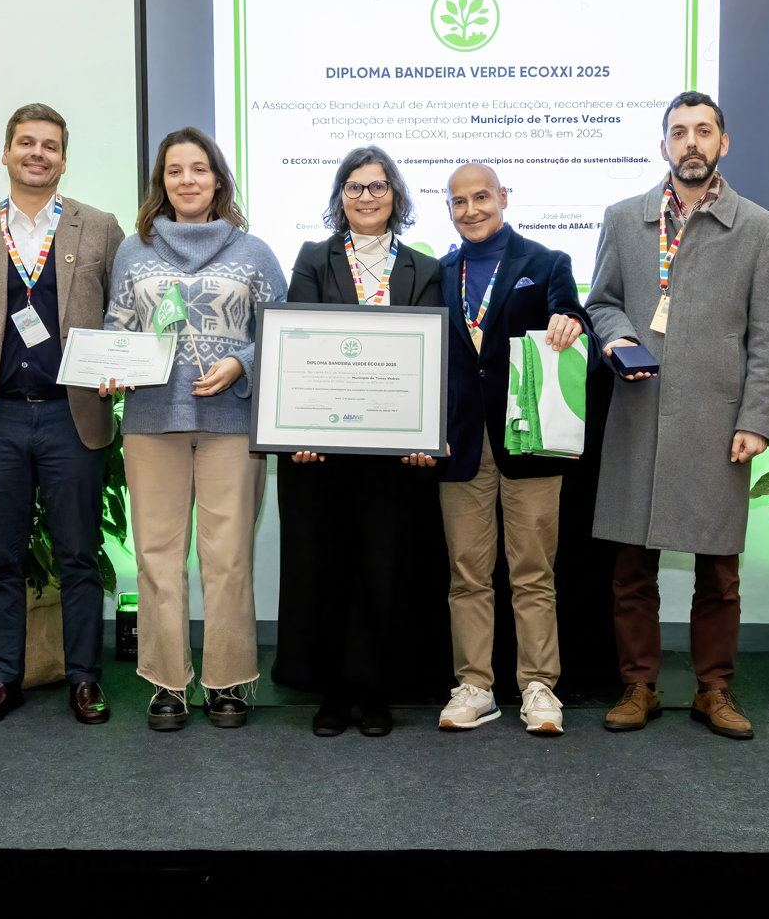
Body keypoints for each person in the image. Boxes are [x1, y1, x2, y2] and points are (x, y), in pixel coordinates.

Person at [587, 90, 769, 740]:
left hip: (717, 422)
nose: (691, 142)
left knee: (719, 570)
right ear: (663, 144)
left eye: (703, 131)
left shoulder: (758, 227)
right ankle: (639, 684)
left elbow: (767, 336)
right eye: (679, 132)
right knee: (631, 569)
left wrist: (756, 419)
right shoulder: (624, 219)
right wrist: (616, 336)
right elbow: (602, 301)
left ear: (723, 143)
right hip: (639, 414)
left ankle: (714, 690)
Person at [0, 103, 124, 726]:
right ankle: (2, 679)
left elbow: (119, 315)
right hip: (0, 420)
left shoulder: (98, 227)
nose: (37, 154)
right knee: (1, 557)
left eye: (50, 145)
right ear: (6, 152)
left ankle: (84, 679)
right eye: (26, 143)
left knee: (78, 555)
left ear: (64, 160)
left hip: (73, 417)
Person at [103, 127, 287, 730]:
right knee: (157, 558)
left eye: (199, 169)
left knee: (228, 558)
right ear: (162, 181)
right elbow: (117, 327)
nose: (187, 180)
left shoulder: (254, 252)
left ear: (218, 179)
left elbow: (283, 332)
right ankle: (167, 683)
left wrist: (242, 363)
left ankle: (228, 680)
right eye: (175, 170)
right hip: (152, 423)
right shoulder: (133, 251)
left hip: (231, 424)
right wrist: (109, 367)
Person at [271, 146, 449, 738]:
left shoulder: (424, 268)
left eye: (377, 186)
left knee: (383, 567)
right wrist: (298, 431)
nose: (366, 197)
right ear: (339, 197)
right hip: (323, 453)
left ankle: (375, 690)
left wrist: (428, 434)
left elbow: (432, 361)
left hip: (395, 454)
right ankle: (333, 691)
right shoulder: (313, 258)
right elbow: (300, 343)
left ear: (395, 196)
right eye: (354, 187)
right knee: (327, 568)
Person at [436, 162, 590, 735]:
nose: (471, 209)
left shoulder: (547, 263)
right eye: (459, 202)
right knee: (467, 574)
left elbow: (574, 320)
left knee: (532, 571)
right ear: (449, 210)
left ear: (503, 196)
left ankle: (538, 687)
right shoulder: (439, 272)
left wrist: (571, 323)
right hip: (460, 443)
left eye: (481, 197)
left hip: (531, 440)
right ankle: (474, 686)